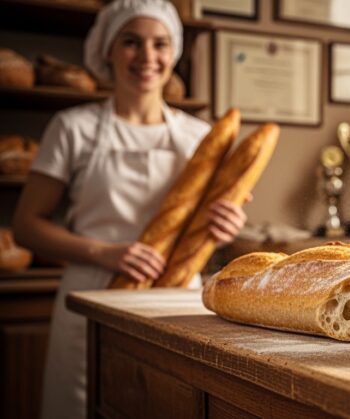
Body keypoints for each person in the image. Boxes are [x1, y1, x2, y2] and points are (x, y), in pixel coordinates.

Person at [12, 1, 247, 417]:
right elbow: (26, 227)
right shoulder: (73, 128)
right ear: (107, 49)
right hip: (92, 294)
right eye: (131, 42)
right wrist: (105, 252)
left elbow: (212, 221)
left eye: (160, 44)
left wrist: (225, 227)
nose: (147, 56)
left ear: (172, 53)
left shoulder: (200, 137)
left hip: (177, 298)